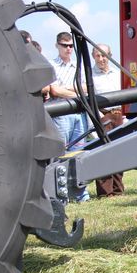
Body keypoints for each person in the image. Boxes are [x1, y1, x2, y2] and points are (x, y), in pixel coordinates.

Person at [48, 32, 90, 201]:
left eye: (71, 45)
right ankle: (61, 195)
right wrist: (75, 90)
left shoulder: (77, 65)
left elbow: (86, 87)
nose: (68, 49)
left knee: (79, 153)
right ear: (57, 45)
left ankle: (81, 194)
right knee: (61, 153)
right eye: (64, 45)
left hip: (78, 113)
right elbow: (54, 90)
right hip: (61, 115)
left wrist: (66, 89)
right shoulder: (51, 65)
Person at [91, 44, 126, 197]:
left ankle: (118, 190)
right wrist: (100, 117)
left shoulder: (118, 73)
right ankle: (105, 192)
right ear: (93, 57)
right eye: (98, 55)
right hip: (103, 115)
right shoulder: (89, 75)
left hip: (119, 114)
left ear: (109, 56)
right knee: (103, 152)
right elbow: (89, 99)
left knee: (119, 152)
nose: (101, 59)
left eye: (104, 55)